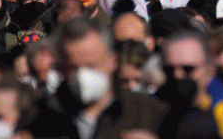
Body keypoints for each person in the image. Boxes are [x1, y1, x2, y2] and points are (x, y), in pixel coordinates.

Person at [29, 18, 169, 139]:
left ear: (113, 60)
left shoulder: (149, 114)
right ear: (60, 68)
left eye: (91, 66)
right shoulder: (39, 118)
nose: (82, 75)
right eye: (73, 67)